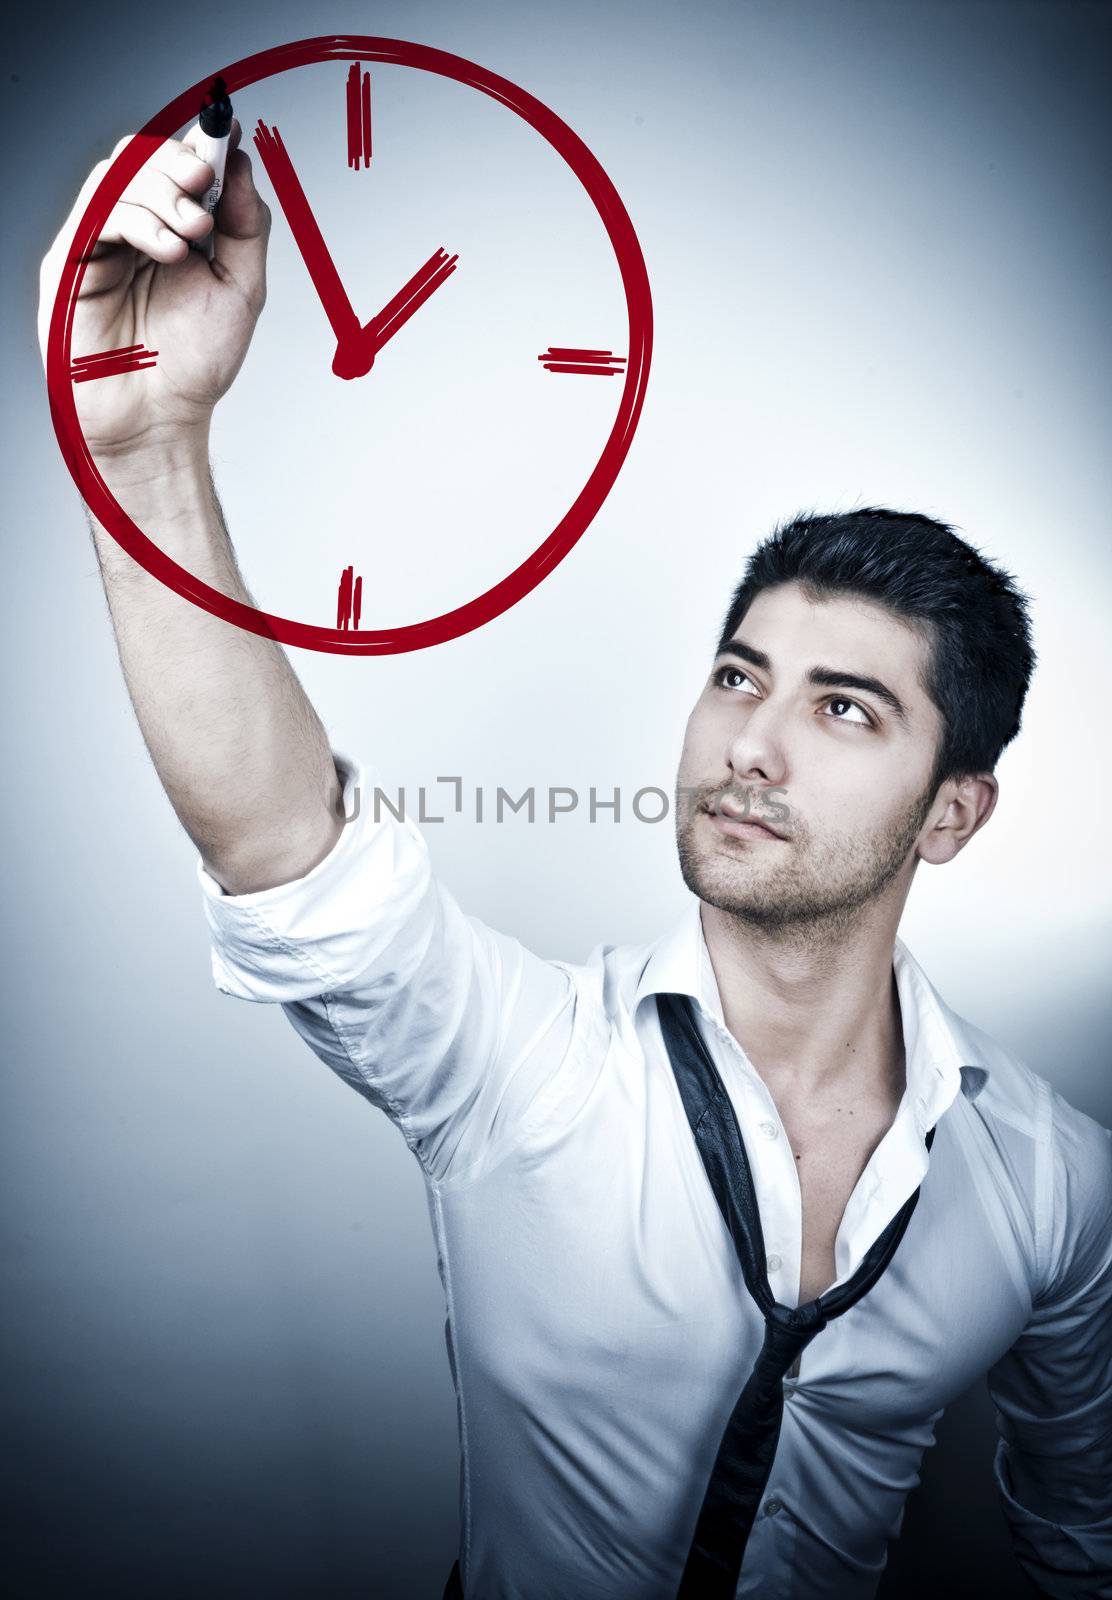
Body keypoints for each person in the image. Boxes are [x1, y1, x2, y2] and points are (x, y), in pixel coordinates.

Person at [39, 119, 1112, 1600]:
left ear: (952, 813)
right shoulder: (524, 1070)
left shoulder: (1051, 1186)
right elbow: (289, 850)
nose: (752, 744)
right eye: (739, 678)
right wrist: (147, 451)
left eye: (843, 708)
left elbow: (1084, 1528)